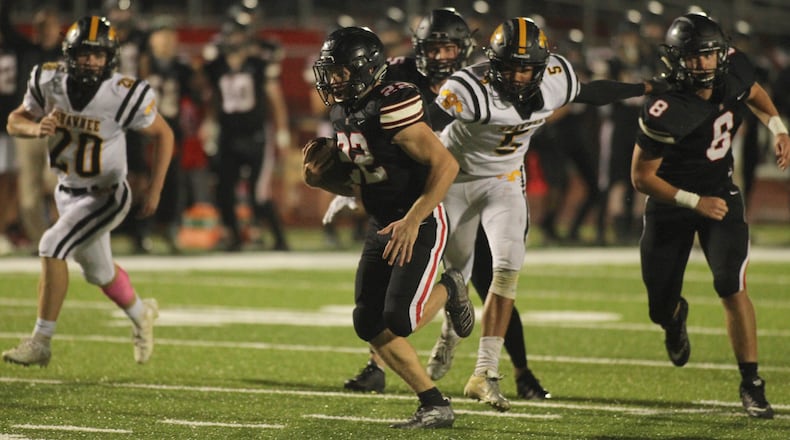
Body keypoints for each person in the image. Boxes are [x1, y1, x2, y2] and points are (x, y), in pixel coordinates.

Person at [433, 17, 668, 411]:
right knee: (458, 276)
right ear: (494, 63)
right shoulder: (467, 88)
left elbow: (592, 93)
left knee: (507, 269)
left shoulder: (557, 78)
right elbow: (422, 124)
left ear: (542, 67)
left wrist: (644, 87)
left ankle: (485, 372)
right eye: (510, 67)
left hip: (505, 179)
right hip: (456, 179)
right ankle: (450, 332)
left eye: (527, 68)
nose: (518, 76)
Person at [339, 8, 549, 401]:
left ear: (464, 49)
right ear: (417, 48)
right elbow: (369, 133)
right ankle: (378, 364)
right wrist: (351, 176)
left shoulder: (486, 79)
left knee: (489, 277)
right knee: (385, 296)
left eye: (448, 48)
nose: (439, 57)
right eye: (432, 48)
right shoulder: (394, 76)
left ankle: (520, 370)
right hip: (424, 191)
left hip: (470, 186)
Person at [310, 26, 474, 429]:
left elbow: (446, 165)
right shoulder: (342, 112)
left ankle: (451, 287)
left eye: (340, 72)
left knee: (401, 320)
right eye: (330, 72)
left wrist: (414, 219)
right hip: (383, 223)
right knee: (367, 322)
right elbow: (366, 175)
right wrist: (322, 180)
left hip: (419, 219)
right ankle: (434, 403)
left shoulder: (391, 102)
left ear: (365, 69)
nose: (333, 80)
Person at [631, 12, 789, 420]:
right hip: (671, 203)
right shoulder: (665, 106)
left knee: (731, 285)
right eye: (693, 57)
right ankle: (674, 320)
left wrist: (777, 127)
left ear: (722, 53)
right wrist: (693, 201)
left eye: (709, 54)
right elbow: (641, 177)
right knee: (659, 306)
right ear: (676, 60)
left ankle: (752, 382)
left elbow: (754, 92)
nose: (703, 64)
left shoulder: (734, 69)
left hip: (720, 194)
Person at [1, 16, 174, 367]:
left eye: (98, 55)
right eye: (84, 54)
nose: (91, 61)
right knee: (99, 272)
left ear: (110, 57)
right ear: (70, 54)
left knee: (52, 244)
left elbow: (164, 134)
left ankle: (41, 341)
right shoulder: (48, 80)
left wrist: (156, 188)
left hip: (107, 194)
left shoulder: (122, 92)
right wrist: (36, 129)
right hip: (67, 191)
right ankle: (141, 313)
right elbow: (14, 120)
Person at [202, 22, 290, 251]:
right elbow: (213, 97)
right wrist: (210, 124)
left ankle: (279, 238)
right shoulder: (217, 66)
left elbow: (274, 98)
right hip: (228, 135)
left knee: (257, 192)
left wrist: (282, 130)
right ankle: (234, 237)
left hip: (255, 135)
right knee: (224, 189)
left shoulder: (258, 65)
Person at [4, 3, 62, 251]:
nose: (45, 30)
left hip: (58, 131)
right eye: (41, 26)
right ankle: (42, 243)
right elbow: (5, 26)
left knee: (55, 184)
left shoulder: (67, 55)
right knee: (28, 195)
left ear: (58, 28)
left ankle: (64, 238)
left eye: (49, 25)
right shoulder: (25, 51)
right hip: (28, 131)